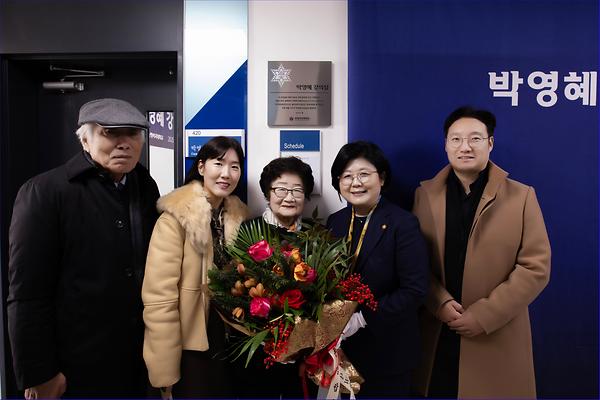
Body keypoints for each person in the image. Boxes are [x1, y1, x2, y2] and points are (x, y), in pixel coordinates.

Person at [7, 98, 160, 398]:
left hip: (138, 364)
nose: (124, 143)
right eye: (110, 133)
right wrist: (39, 373)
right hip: (73, 367)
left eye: (132, 133)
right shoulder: (44, 191)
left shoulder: (145, 187)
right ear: (84, 139)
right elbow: (26, 293)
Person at [412, 106, 551, 398]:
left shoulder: (522, 196)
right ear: (445, 145)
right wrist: (439, 303)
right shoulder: (424, 194)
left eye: (475, 138)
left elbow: (535, 267)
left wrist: (485, 315)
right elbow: (414, 262)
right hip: (440, 330)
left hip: (497, 332)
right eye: (456, 139)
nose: (465, 147)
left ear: (490, 143)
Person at [142, 136, 249, 399]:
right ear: (201, 167)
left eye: (235, 167)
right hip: (192, 343)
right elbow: (159, 298)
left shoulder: (239, 219)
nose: (227, 174)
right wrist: (163, 366)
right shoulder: (174, 220)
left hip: (232, 339)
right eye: (219, 163)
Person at [326, 141, 429, 397]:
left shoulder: (403, 224)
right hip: (341, 351)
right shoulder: (335, 222)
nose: (355, 182)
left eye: (363, 174)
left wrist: (362, 318)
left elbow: (414, 291)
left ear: (381, 178)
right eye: (346, 176)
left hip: (388, 354)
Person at [232, 156, 314, 398]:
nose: (289, 197)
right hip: (257, 346)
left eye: (297, 190)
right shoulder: (247, 230)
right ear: (268, 193)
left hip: (301, 351)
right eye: (280, 189)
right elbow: (234, 285)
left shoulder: (315, 233)